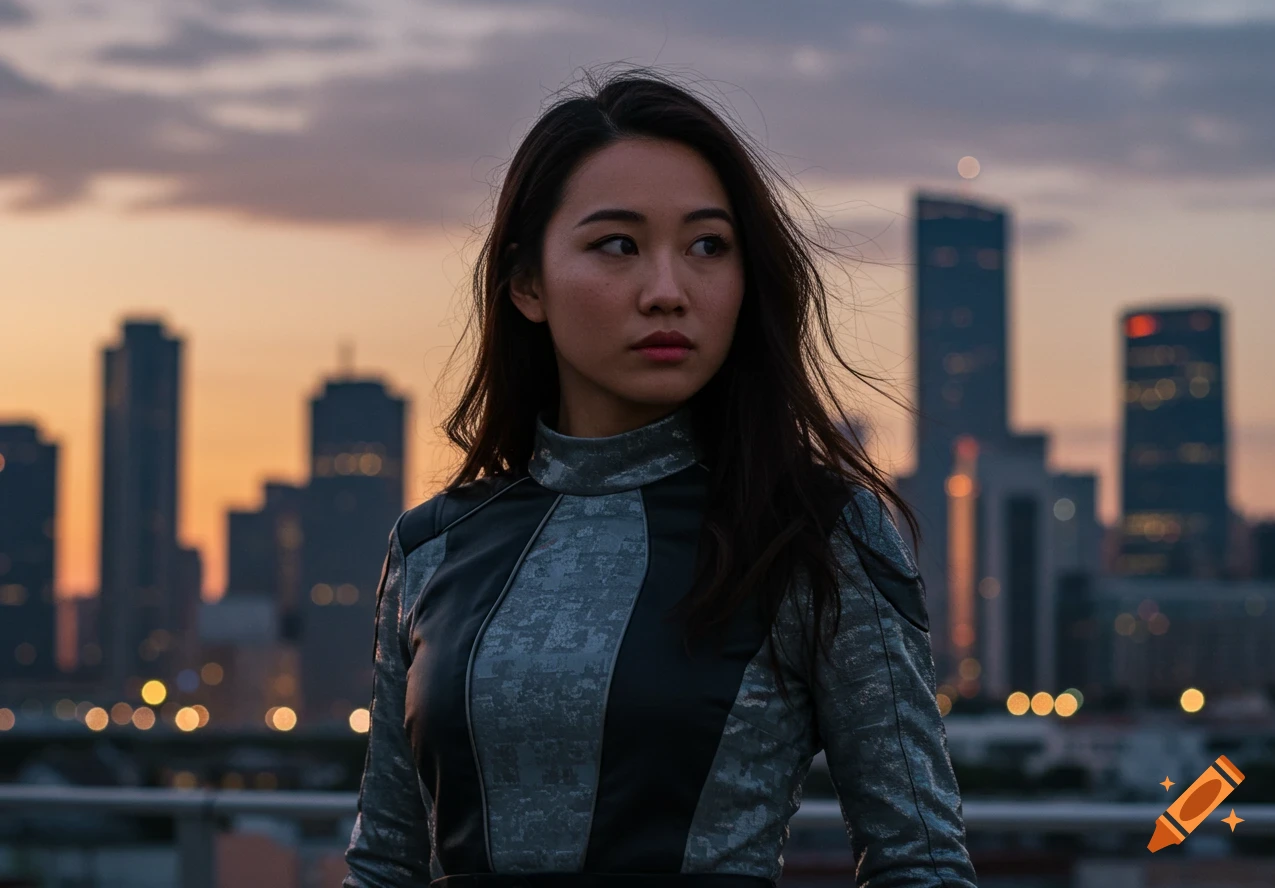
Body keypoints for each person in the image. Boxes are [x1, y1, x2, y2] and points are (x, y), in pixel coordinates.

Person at [344, 65, 978, 888]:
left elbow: (920, 862)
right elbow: (385, 862)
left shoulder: (816, 533)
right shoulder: (430, 547)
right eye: (618, 245)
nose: (669, 291)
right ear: (527, 282)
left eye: (708, 247)